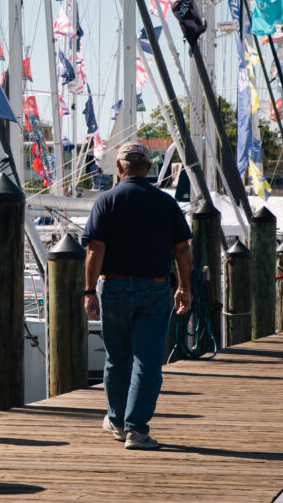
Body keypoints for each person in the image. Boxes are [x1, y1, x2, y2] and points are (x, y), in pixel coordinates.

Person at [81, 141, 192, 450]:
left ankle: (116, 421)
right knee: (147, 362)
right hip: (154, 289)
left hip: (113, 287)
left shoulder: (106, 200)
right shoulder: (165, 203)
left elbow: (95, 249)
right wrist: (184, 288)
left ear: (119, 169)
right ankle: (137, 431)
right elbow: (182, 249)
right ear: (148, 169)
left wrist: (89, 291)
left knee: (117, 359)